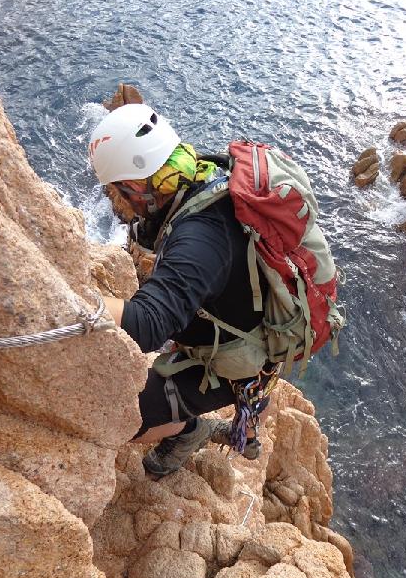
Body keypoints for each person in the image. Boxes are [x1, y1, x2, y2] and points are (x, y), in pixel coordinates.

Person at [89, 103, 274, 476]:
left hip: (236, 354)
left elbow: (147, 326)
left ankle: (189, 429)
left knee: (118, 416)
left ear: (138, 185)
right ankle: (230, 421)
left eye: (119, 192)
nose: (121, 203)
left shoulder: (199, 239)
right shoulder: (207, 175)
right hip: (254, 320)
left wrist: (66, 301)